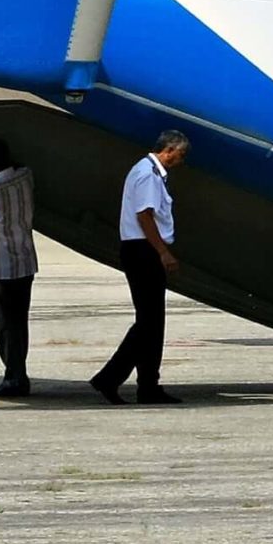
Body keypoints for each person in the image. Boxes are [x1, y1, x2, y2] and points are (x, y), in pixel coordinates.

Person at [91, 129, 188, 406]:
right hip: (143, 250)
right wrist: (163, 252)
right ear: (168, 150)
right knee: (148, 322)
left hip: (143, 249)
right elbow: (145, 216)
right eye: (179, 156)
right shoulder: (148, 174)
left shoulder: (149, 172)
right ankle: (109, 378)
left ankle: (148, 384)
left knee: (153, 323)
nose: (180, 162)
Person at [0, 136, 37, 398]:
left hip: (4, 263)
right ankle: (18, 372)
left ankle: (13, 375)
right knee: (20, 321)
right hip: (26, 259)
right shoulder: (25, 176)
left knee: (6, 324)